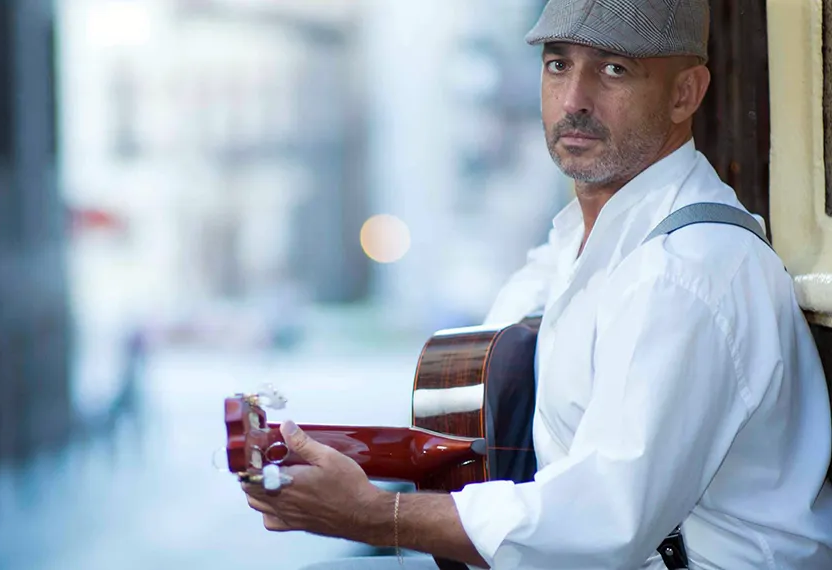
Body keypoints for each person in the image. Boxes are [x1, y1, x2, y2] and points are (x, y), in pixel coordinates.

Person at [240, 0, 832, 568]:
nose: (574, 99)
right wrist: (332, 451)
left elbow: (604, 523)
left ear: (685, 94)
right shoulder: (587, 237)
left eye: (614, 69)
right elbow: (483, 366)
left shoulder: (686, 271)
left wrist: (376, 515)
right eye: (558, 64)